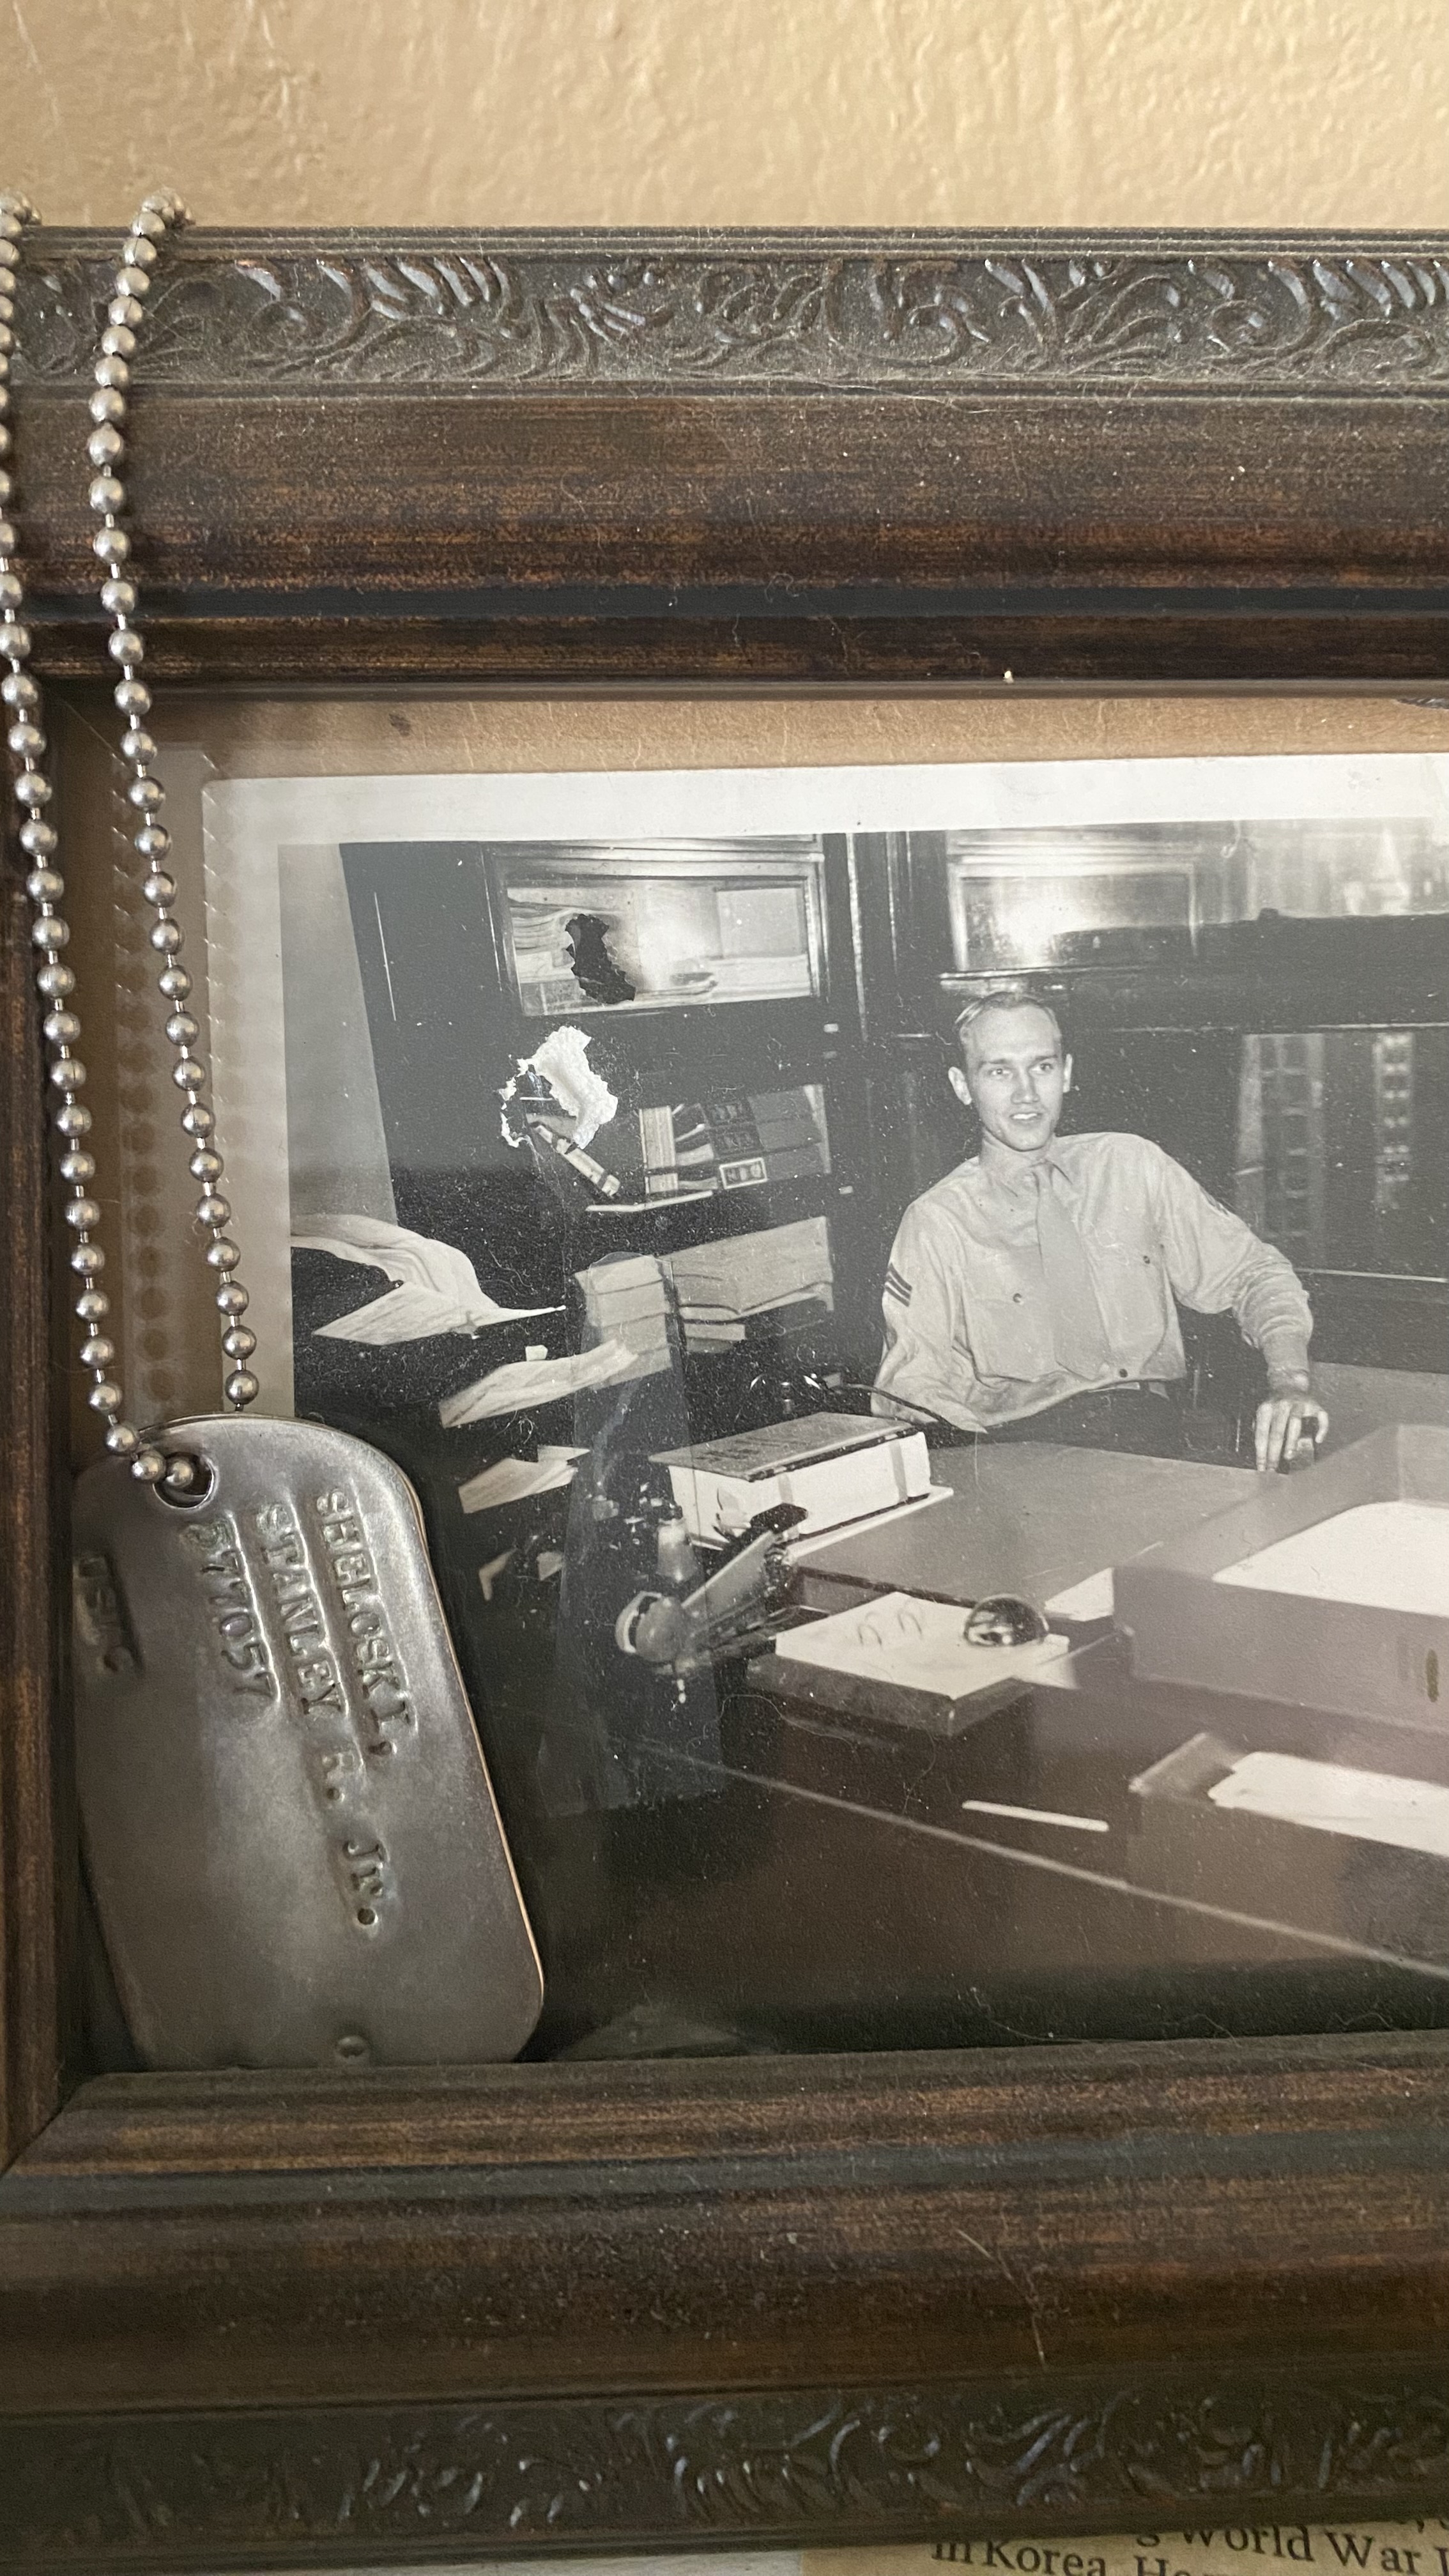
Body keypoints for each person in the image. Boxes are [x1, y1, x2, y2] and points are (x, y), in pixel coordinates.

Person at [874, 987, 1329, 1470]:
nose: (1026, 1094)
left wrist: (1290, 1382)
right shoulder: (937, 1221)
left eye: (1042, 1067)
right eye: (1000, 1071)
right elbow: (908, 1390)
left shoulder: (1132, 1165)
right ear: (963, 1086)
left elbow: (1255, 1273)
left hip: (1151, 1437)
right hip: (1021, 1454)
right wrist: (992, 1474)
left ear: (1066, 1073)